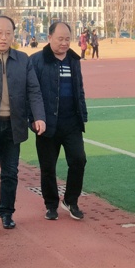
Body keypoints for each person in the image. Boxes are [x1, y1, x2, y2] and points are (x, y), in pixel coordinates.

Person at [0, 16, 46, 236]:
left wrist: (39, 116)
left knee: (10, 172)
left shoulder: (23, 59)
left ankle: (7, 213)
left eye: (8, 33)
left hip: (14, 124)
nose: (3, 37)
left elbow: (33, 90)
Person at [31, 22, 88, 221]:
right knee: (48, 167)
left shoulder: (74, 59)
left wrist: (82, 114)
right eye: (60, 39)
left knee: (79, 160)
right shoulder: (37, 60)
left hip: (71, 122)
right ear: (49, 38)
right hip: (47, 123)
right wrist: (34, 119)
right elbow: (31, 92)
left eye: (67, 39)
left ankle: (71, 200)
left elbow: (79, 89)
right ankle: (51, 204)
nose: (64, 43)